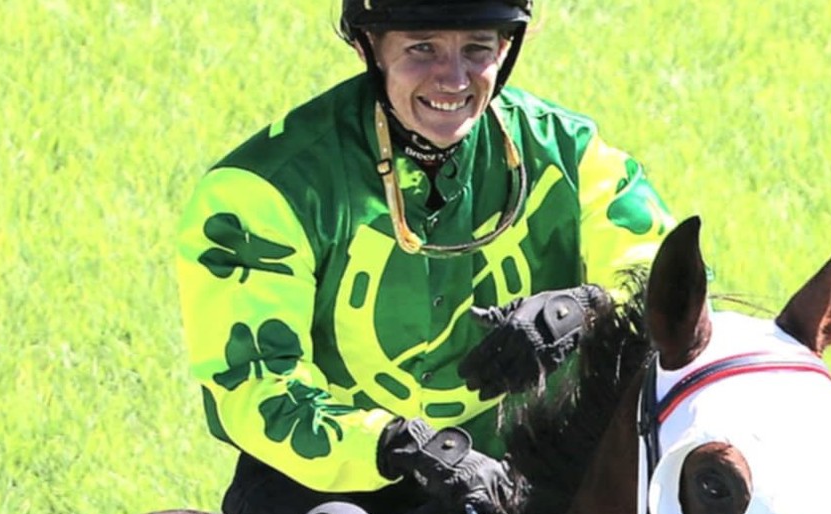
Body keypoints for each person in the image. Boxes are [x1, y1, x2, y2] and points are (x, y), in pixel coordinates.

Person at [174, 1, 677, 513]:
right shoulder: (262, 190)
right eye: (422, 48)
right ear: (368, 46)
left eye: (477, 49)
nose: (453, 80)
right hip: (323, 487)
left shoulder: (571, 153)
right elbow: (257, 386)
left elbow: (675, 283)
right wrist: (409, 446)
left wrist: (586, 307)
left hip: (506, 478)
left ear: (506, 49)